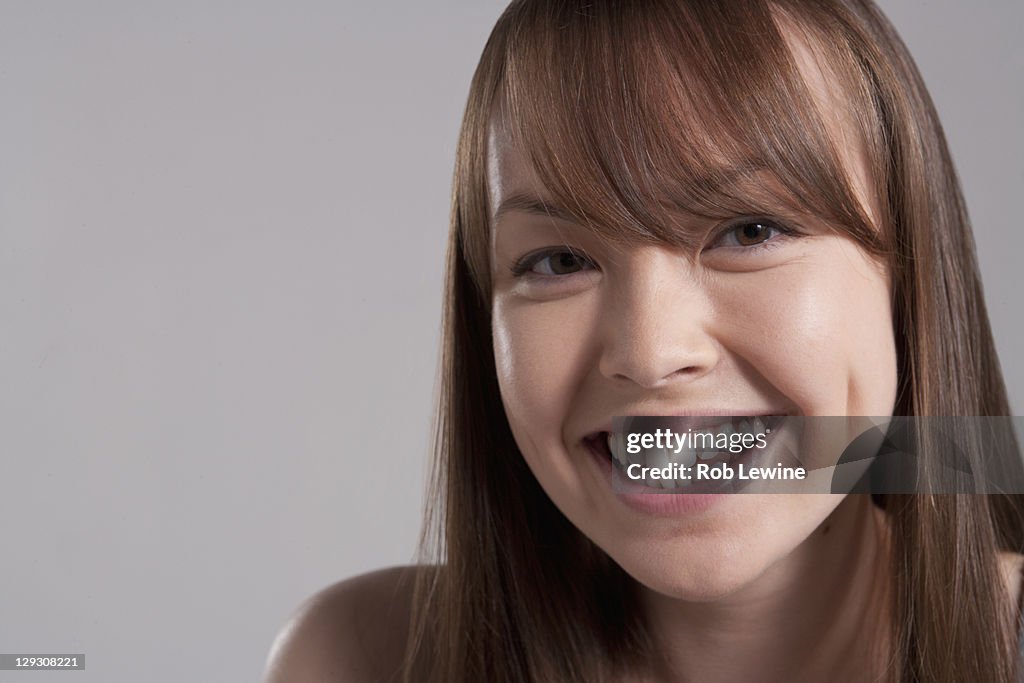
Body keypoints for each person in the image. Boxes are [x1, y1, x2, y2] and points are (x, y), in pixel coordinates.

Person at [264, 1, 1024, 681]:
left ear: (908, 277)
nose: (651, 353)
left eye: (749, 231)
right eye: (559, 261)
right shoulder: (360, 659)